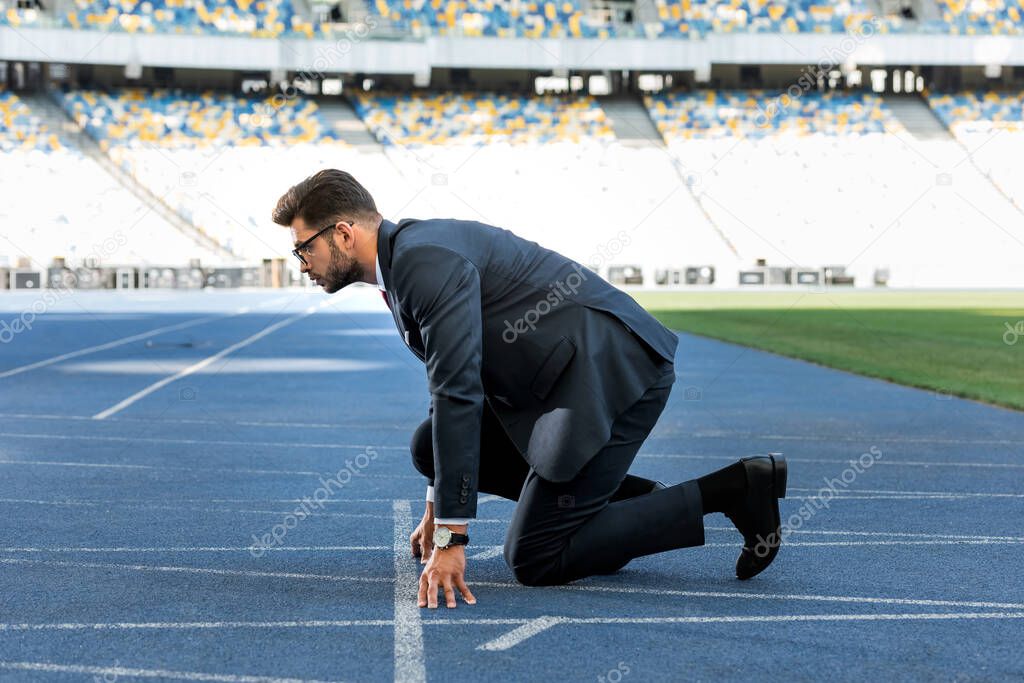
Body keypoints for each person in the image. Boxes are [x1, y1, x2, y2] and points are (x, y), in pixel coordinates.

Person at [273, 169, 787, 609]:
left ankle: (737, 488)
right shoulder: (404, 262)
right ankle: (633, 506)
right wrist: (437, 503)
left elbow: (459, 394)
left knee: (537, 557)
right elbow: (448, 385)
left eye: (303, 247)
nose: (301, 263)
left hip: (613, 370)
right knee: (427, 444)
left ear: (342, 234)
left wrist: (452, 538)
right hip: (558, 382)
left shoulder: (421, 263)